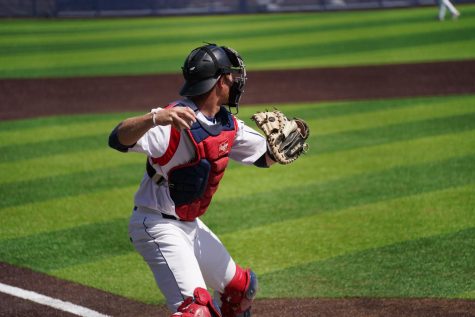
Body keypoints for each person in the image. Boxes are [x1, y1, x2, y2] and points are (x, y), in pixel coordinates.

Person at [108, 44, 276, 317]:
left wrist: (283, 146)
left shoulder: (225, 124)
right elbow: (117, 139)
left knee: (241, 290)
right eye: (230, 76)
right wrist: (155, 118)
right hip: (157, 225)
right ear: (220, 81)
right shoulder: (174, 121)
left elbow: (263, 156)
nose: (235, 81)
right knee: (196, 312)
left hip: (191, 226)